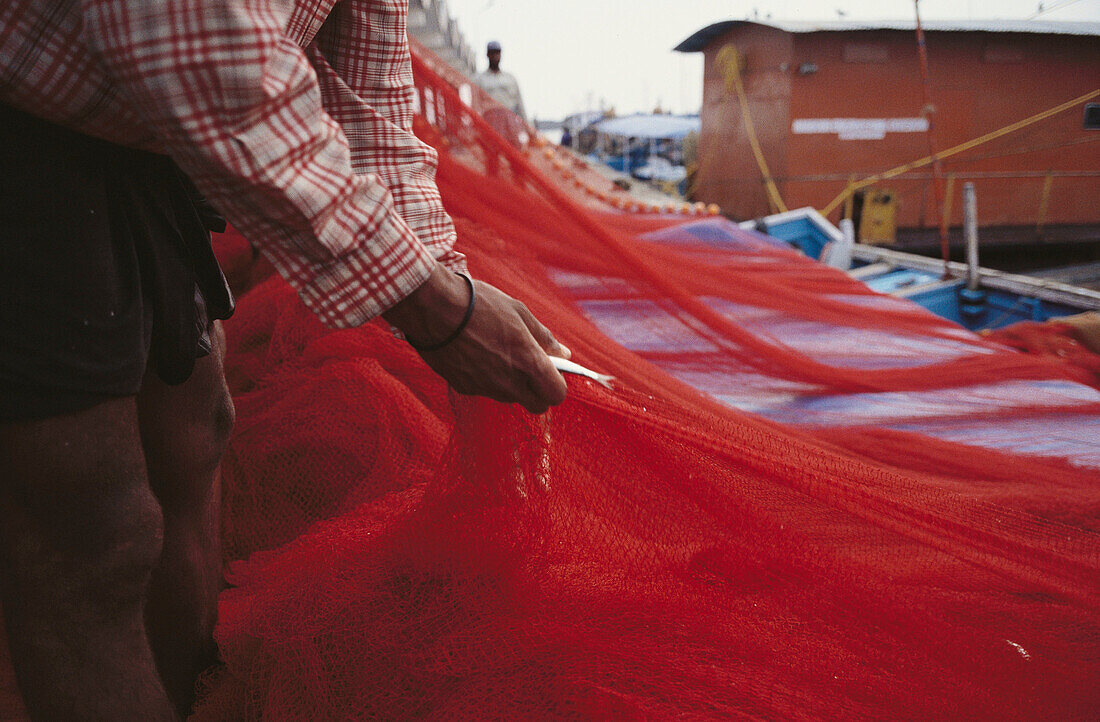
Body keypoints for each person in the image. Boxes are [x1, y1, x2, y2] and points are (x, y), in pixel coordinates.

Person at [0, 1, 568, 719]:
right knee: (96, 530)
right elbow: (192, 46)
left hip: (152, 149)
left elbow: (372, 104)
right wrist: (430, 305)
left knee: (197, 434)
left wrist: (444, 274)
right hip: (30, 125)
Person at [473, 41, 527, 122]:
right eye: (492, 53)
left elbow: (520, 104)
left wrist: (527, 126)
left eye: (497, 53)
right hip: (489, 121)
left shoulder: (510, 79)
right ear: (487, 54)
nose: (495, 56)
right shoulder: (479, 79)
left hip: (509, 121)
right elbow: (474, 104)